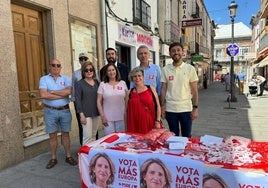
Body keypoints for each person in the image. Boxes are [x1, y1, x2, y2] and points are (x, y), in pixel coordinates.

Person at [39, 59, 77, 169]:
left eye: (58, 65)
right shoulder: (44, 79)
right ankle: (53, 158)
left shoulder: (65, 78)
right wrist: (61, 94)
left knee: (66, 134)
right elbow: (44, 95)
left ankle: (68, 156)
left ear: (61, 67)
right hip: (50, 111)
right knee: (52, 135)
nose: (56, 67)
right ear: (50, 66)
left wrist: (52, 92)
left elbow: (68, 92)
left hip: (64, 110)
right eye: (53, 65)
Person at [160, 42, 198, 137]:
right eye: (173, 51)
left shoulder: (190, 69)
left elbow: (194, 90)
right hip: (170, 109)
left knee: (186, 136)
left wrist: (195, 108)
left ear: (182, 52)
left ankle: (185, 152)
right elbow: (163, 89)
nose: (176, 52)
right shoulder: (165, 69)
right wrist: (162, 107)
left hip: (186, 109)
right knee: (173, 136)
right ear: (170, 53)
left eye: (178, 50)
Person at [126, 67, 162, 134]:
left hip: (150, 122)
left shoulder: (151, 89)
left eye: (139, 75)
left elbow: (158, 106)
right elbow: (126, 111)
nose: (137, 78)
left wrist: (158, 121)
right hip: (134, 124)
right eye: (135, 76)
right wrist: (126, 127)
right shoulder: (129, 93)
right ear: (132, 78)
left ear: (143, 77)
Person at [97, 63, 128, 136]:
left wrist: (127, 113)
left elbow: (127, 99)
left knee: (121, 139)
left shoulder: (122, 83)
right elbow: (98, 101)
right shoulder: (102, 84)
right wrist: (102, 116)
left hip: (121, 117)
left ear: (116, 71)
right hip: (108, 118)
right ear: (106, 73)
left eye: (113, 70)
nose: (111, 72)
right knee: (109, 140)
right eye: (109, 71)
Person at [75, 61, 100, 145]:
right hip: (86, 114)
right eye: (86, 70)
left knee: (93, 136)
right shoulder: (79, 84)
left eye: (91, 69)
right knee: (87, 137)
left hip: (96, 113)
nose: (89, 72)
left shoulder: (97, 82)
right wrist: (81, 114)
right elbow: (77, 100)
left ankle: (91, 156)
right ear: (83, 72)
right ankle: (83, 157)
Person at [71, 52, 89, 145]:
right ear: (79, 61)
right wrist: (75, 102)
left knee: (92, 125)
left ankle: (94, 146)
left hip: (90, 102)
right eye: (81, 59)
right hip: (80, 103)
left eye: (85, 58)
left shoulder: (92, 71)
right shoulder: (75, 73)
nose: (83, 61)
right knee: (81, 125)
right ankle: (83, 147)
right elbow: (73, 88)